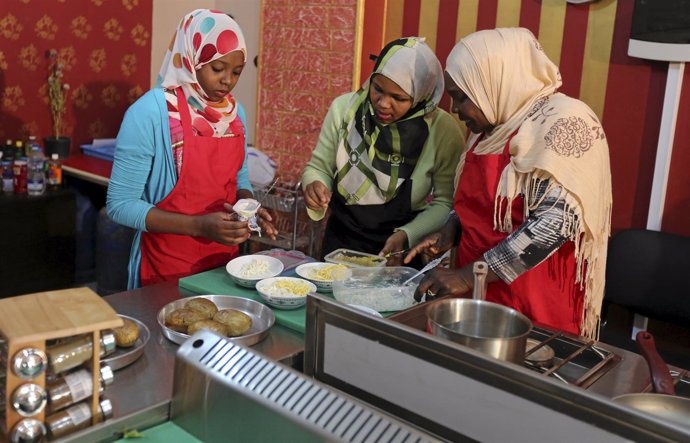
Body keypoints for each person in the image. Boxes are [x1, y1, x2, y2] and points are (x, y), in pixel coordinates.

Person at [407, 28, 612, 339]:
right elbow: (486, 203)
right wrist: (453, 228)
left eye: (462, 98)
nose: (455, 109)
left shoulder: (564, 121)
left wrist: (467, 274)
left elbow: (554, 222)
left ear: (494, 83)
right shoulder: (491, 124)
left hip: (533, 305)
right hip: (478, 296)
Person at [107, 9, 277, 289]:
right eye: (217, 69)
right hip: (163, 268)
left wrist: (248, 208)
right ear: (191, 57)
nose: (228, 81)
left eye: (236, 72)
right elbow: (120, 206)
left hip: (223, 268)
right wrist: (200, 226)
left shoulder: (235, 114)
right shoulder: (151, 112)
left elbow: (239, 179)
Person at [301, 37, 463, 265]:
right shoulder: (344, 110)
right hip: (341, 242)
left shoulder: (442, 130)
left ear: (420, 97)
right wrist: (315, 185)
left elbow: (445, 202)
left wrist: (406, 235)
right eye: (377, 89)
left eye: (399, 98)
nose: (383, 103)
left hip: (400, 252)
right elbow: (318, 168)